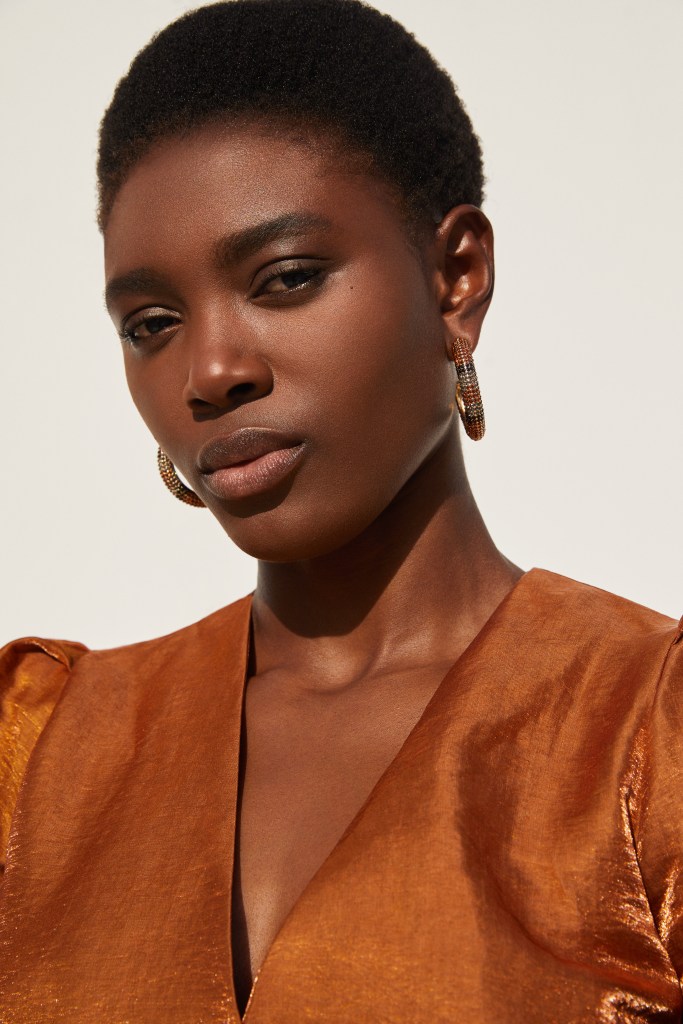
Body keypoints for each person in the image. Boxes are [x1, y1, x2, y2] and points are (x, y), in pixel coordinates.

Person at [0, 1, 681, 1021]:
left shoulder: (644, 738)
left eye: (284, 279)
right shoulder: (37, 761)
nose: (210, 371)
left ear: (455, 281)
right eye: (151, 324)